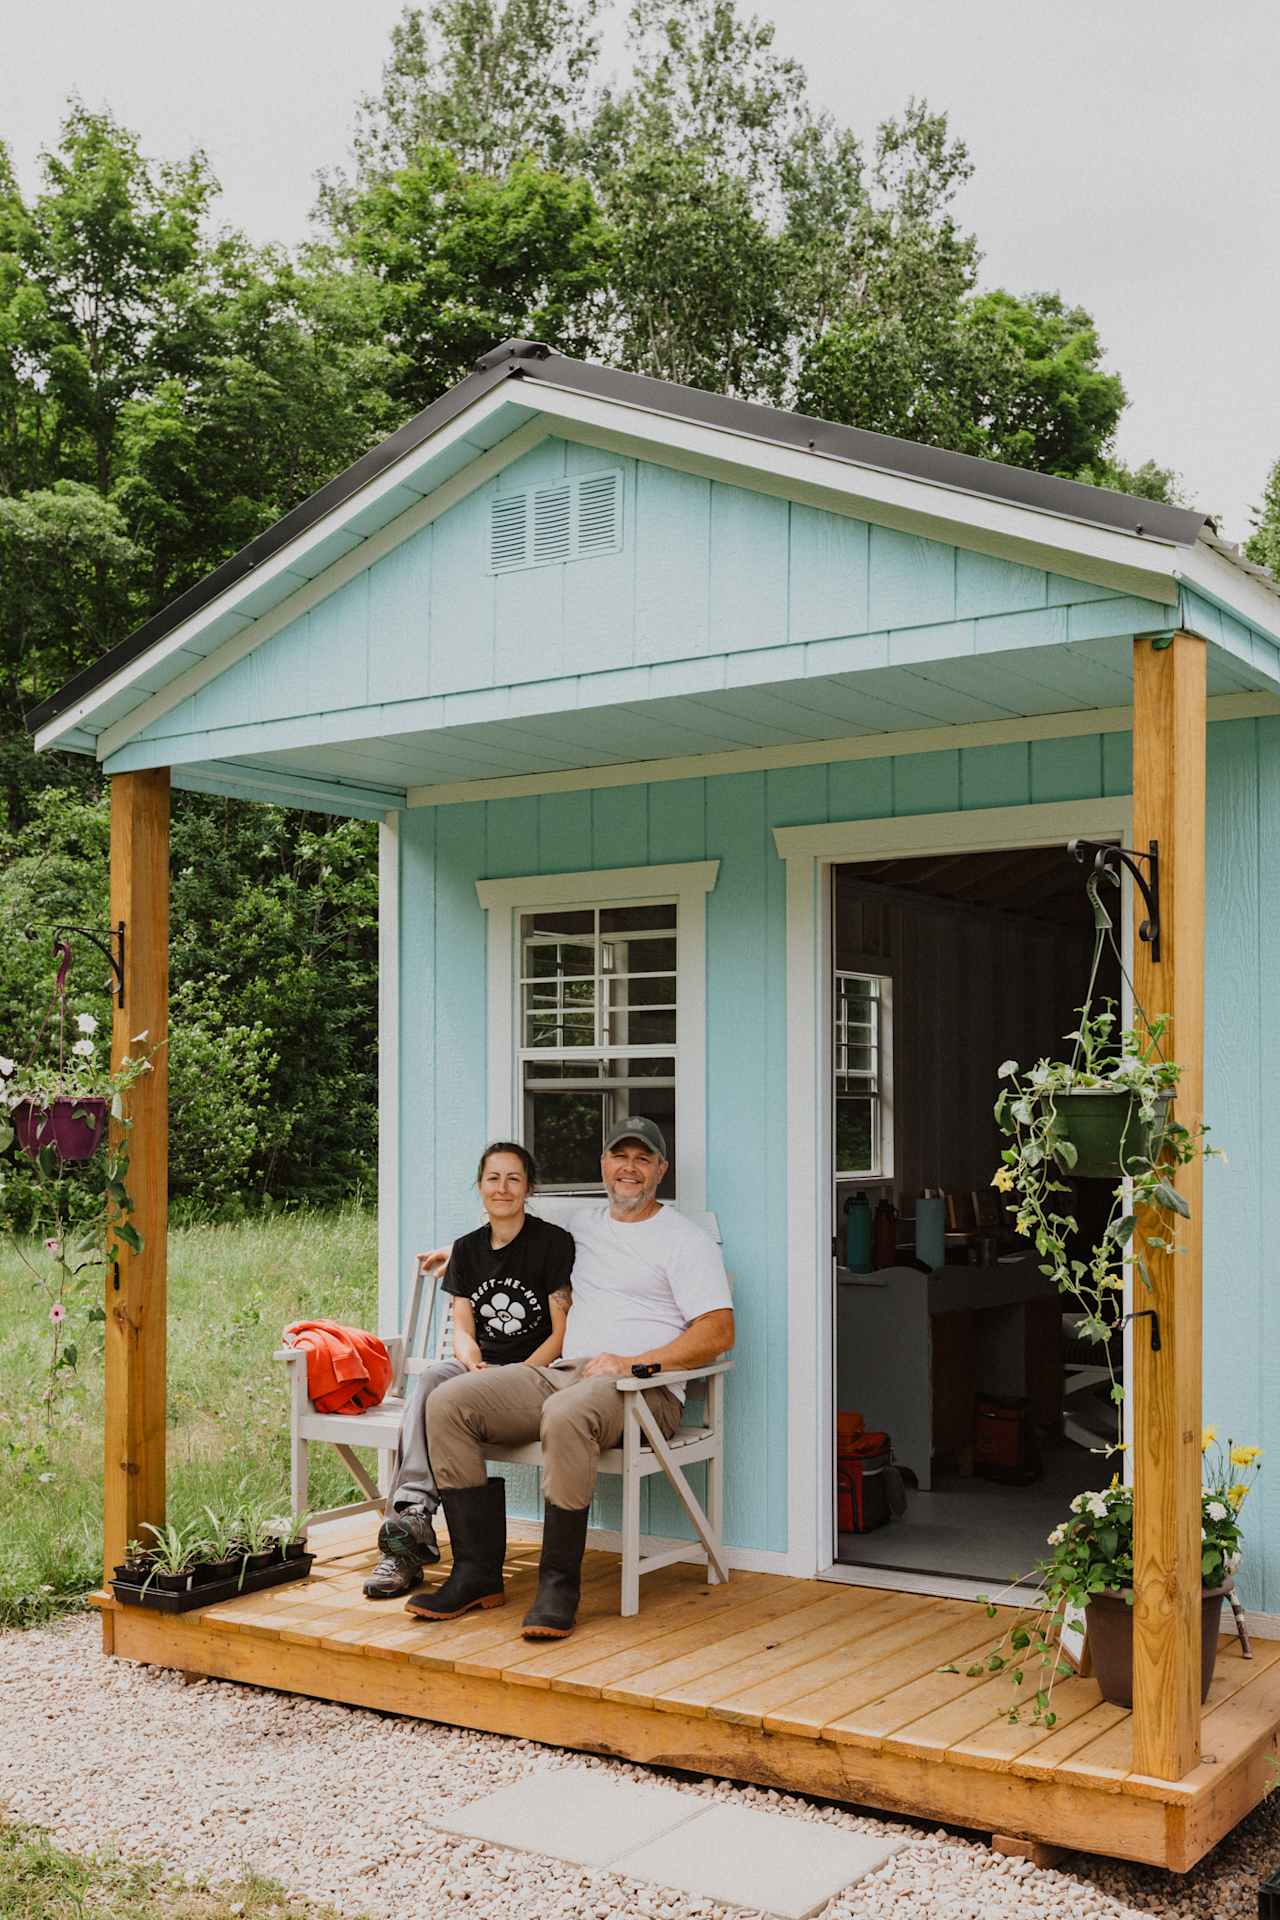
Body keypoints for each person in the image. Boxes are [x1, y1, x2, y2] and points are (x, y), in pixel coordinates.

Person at [404, 1117, 734, 1640]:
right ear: (603, 1165)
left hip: (640, 1391)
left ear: (661, 1171)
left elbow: (718, 1331)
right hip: (565, 1375)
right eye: (619, 1157)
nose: (629, 1168)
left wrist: (634, 1364)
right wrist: (455, 1252)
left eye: (643, 1159)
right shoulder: (581, 1224)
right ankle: (475, 1575)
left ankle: (558, 1586)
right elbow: (507, 1217)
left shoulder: (685, 1241)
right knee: (448, 1401)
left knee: (564, 1414)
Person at [362, 1142, 574, 1599]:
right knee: (436, 1378)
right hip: (480, 1375)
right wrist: (471, 1357)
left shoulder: (552, 1242)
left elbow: (560, 1335)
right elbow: (463, 1324)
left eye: (514, 1179)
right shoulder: (466, 1250)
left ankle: (403, 1548)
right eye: (493, 1178)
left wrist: (507, 1376)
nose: (503, 1188)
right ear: (479, 1187)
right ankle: (412, 1517)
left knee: (441, 1392)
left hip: (533, 1378)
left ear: (529, 1188)